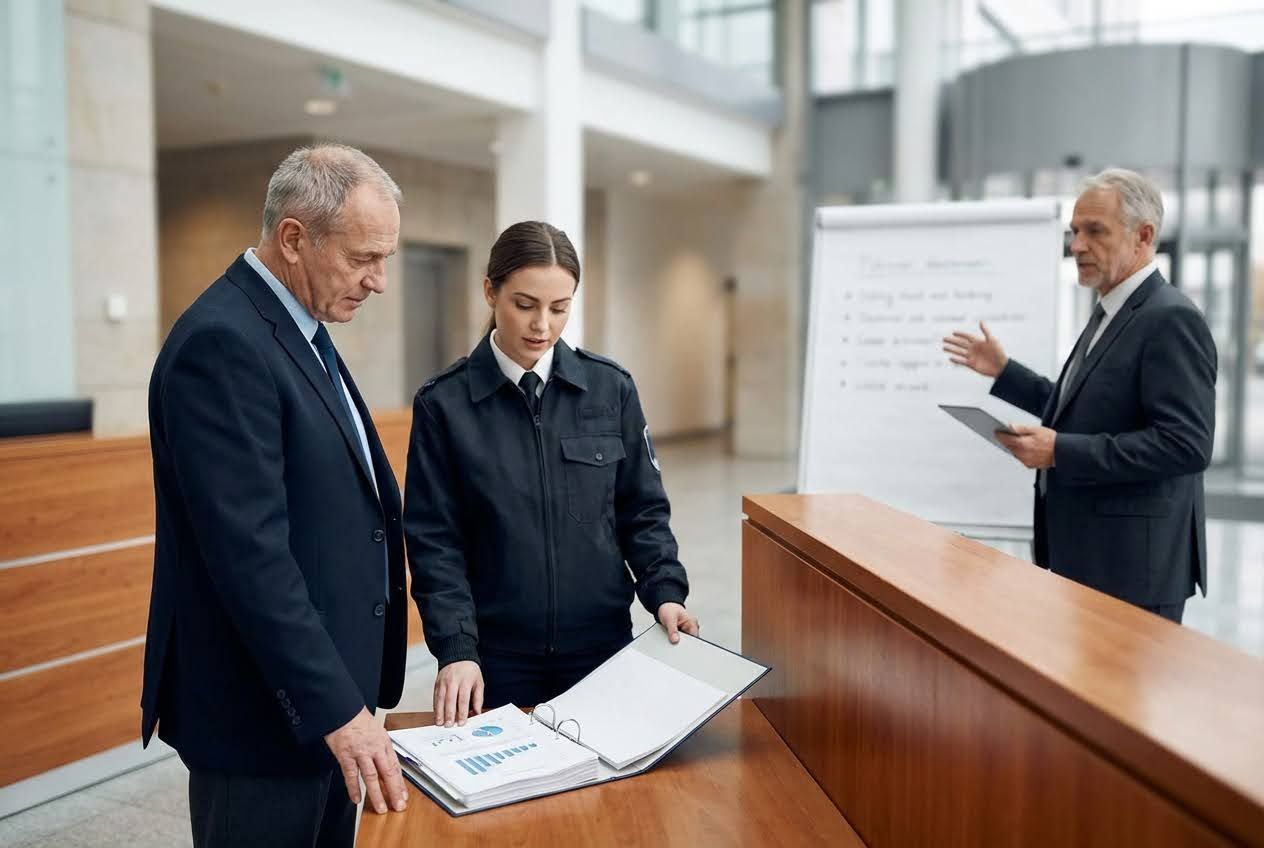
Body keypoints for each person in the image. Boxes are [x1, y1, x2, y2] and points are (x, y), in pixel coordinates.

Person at [142, 143, 410, 847]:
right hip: (264, 718)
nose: (378, 281)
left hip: (322, 709)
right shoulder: (223, 343)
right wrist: (335, 710)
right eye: (362, 258)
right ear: (294, 238)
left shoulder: (300, 329)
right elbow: (250, 556)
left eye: (385, 258)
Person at [404, 220, 699, 727]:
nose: (542, 324)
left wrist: (665, 594)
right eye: (525, 304)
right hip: (495, 661)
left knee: (610, 801)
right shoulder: (443, 405)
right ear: (490, 291)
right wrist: (456, 647)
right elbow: (435, 543)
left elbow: (642, 511)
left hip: (601, 651)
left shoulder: (611, 391)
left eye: (560, 308)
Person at [943, 168, 1217, 624]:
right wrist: (1005, 372)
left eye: (1095, 231)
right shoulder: (1110, 310)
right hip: (1094, 560)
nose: (1076, 246)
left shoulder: (1170, 319)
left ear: (1143, 236)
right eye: (1074, 232)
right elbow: (1083, 409)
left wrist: (1059, 452)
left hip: (1134, 572)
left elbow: (1185, 445)